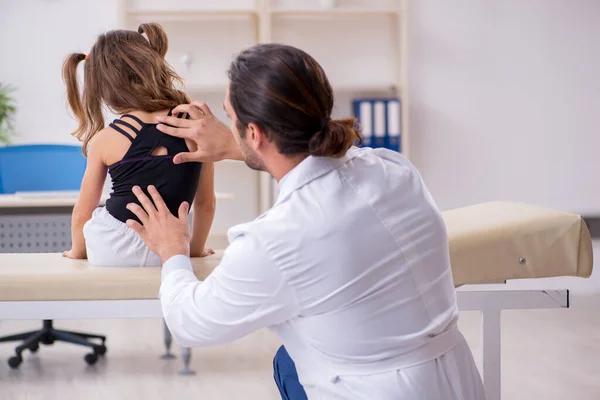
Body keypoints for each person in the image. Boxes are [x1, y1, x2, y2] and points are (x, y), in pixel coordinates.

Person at [126, 43, 486, 399]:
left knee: (288, 362)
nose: (226, 126)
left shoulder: (274, 239)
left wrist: (173, 250)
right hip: (456, 378)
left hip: (376, 390)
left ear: (256, 133)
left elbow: (191, 324)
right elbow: (323, 166)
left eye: (230, 118)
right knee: (289, 359)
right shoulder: (393, 170)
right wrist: (239, 146)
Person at [61, 22, 215, 267]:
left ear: (103, 86)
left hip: (112, 246)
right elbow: (206, 202)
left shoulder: (105, 139)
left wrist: (77, 251)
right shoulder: (195, 125)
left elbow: (84, 210)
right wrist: (193, 249)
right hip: (172, 245)